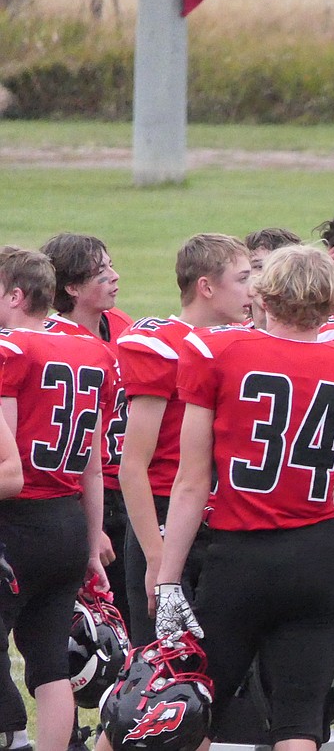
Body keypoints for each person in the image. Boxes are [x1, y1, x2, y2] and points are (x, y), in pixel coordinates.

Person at [150, 245, 334, 751]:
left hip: (239, 555)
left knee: (191, 703)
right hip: (316, 559)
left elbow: (192, 481)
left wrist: (169, 579)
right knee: (300, 720)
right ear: (333, 301)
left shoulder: (217, 351)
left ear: (263, 295)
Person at [0, 248, 116, 751]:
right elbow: (92, 463)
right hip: (67, 520)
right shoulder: (94, 352)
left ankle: (14, 737)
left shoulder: (10, 351)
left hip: (14, 520)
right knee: (49, 660)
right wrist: (92, 543)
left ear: (15, 295)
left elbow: (6, 463)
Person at [114, 234, 252, 648]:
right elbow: (133, 465)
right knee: (166, 670)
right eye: (243, 279)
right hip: (165, 514)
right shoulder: (164, 347)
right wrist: (157, 557)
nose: (253, 290)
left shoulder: (243, 343)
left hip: (225, 519)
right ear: (206, 287)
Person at [40, 232, 133, 751]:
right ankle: (70, 733)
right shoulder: (49, 337)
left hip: (121, 490)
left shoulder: (121, 327)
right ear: (72, 287)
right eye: (102, 272)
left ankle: (116, 724)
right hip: (72, 492)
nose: (115, 277)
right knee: (73, 628)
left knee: (116, 623)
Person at [243, 227, 301, 330]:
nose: (268, 277)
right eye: (259, 266)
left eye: (278, 268)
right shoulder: (228, 336)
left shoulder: (328, 334)